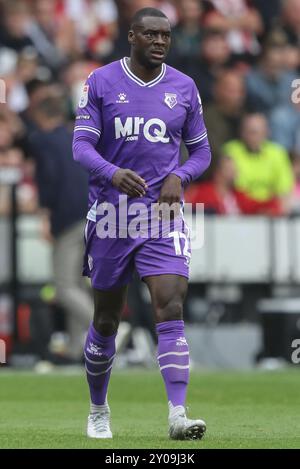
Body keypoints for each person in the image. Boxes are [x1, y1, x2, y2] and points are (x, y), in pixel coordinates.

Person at [73, 7, 211, 440]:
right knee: (108, 320)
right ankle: (98, 409)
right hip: (113, 214)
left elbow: (202, 153)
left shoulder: (184, 88)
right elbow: (80, 146)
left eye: (166, 36)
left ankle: (177, 413)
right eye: (150, 34)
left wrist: (180, 175)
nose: (159, 42)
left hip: (162, 214)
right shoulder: (100, 81)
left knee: (170, 304)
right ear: (131, 36)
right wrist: (112, 173)